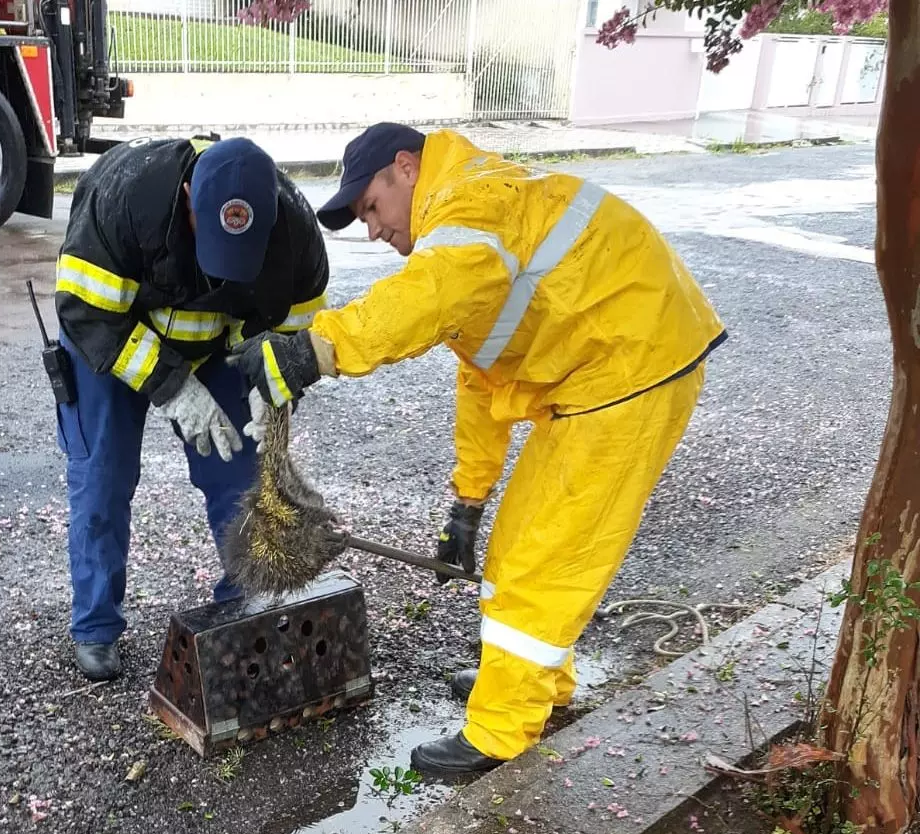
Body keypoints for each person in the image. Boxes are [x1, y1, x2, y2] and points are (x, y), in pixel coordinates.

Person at [230, 122, 726, 775]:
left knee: (544, 561)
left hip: (631, 370)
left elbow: (423, 300)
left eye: (372, 207)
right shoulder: (469, 234)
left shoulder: (469, 208)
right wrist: (468, 500)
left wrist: (319, 348)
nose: (373, 230)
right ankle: (536, 682)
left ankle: (499, 733)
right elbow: (482, 378)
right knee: (517, 546)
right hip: (595, 378)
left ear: (405, 167)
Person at [53, 134, 329, 681]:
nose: (227, 273)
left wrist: (273, 392)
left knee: (241, 474)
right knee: (103, 477)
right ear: (186, 199)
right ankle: (96, 626)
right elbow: (86, 314)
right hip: (111, 338)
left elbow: (294, 340)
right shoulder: (125, 198)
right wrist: (172, 387)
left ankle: (242, 602)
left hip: (215, 348)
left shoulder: (298, 235)